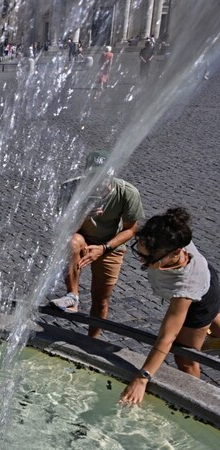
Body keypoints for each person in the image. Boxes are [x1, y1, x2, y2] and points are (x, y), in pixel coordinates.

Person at [119, 208, 220, 405]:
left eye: (147, 258)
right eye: (138, 251)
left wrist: (142, 378)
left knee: (184, 355)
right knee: (212, 317)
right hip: (208, 284)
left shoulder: (187, 285)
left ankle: (195, 400)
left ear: (176, 253)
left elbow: (167, 336)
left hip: (200, 298)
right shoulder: (170, 236)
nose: (141, 260)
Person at [50, 150, 145, 338]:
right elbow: (63, 231)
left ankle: (92, 340)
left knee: (101, 300)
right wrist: (82, 214)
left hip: (110, 246)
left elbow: (131, 230)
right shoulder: (69, 188)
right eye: (93, 175)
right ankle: (73, 296)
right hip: (82, 238)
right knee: (71, 242)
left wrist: (103, 249)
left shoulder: (127, 192)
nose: (98, 180)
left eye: (103, 175)